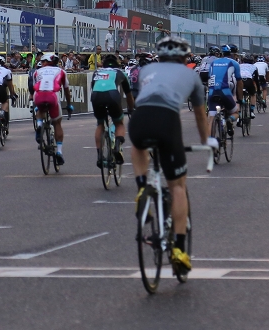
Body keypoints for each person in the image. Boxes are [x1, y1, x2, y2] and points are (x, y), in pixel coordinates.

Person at [129, 35, 213, 274]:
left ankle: (142, 184)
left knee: (138, 144)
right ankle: (178, 248)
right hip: (166, 120)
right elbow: (199, 115)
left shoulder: (146, 70)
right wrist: (206, 141)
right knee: (177, 186)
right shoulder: (191, 75)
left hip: (141, 117)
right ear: (185, 57)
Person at [91, 53, 133, 168]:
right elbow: (128, 95)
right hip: (112, 95)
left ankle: (100, 156)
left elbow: (93, 89)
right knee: (119, 123)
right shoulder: (120, 73)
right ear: (117, 64)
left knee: (100, 124)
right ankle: (117, 146)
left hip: (96, 96)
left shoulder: (96, 72)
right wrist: (131, 108)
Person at [206, 46, 242, 137]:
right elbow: (239, 82)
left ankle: (211, 143)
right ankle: (229, 120)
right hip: (225, 91)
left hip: (212, 92)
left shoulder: (213, 62)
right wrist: (240, 99)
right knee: (235, 112)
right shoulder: (234, 63)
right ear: (232, 54)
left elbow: (209, 77)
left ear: (221, 53)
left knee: (211, 118)